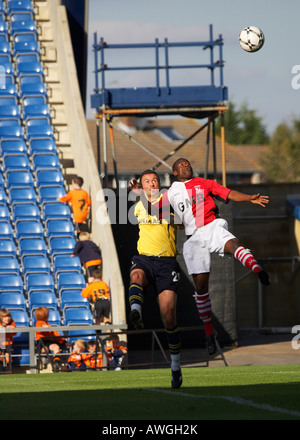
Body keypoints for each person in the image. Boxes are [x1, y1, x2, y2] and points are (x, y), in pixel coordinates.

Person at [148, 158, 271, 355]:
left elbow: (228, 193)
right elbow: (154, 209)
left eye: (188, 164)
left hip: (212, 226)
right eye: (181, 165)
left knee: (232, 244)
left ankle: (257, 269)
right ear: (175, 173)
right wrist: (141, 192)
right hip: (194, 238)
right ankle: (208, 333)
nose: (186, 166)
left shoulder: (204, 183)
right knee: (201, 288)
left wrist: (249, 197)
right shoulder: (170, 192)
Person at [128, 170, 182, 388]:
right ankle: (136, 312)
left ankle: (176, 368)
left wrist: (139, 193)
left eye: (154, 180)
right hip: (144, 258)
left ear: (160, 184)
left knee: (168, 315)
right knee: (135, 275)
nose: (151, 183)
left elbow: (168, 216)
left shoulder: (168, 201)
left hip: (166, 262)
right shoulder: (139, 204)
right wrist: (137, 193)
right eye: (147, 181)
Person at [34, 306, 67, 372]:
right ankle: (43, 360)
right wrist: (43, 327)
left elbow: (55, 334)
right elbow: (38, 328)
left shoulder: (48, 324)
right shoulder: (39, 322)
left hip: (50, 341)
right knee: (44, 349)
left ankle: (56, 362)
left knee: (56, 347)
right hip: (41, 342)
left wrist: (64, 341)